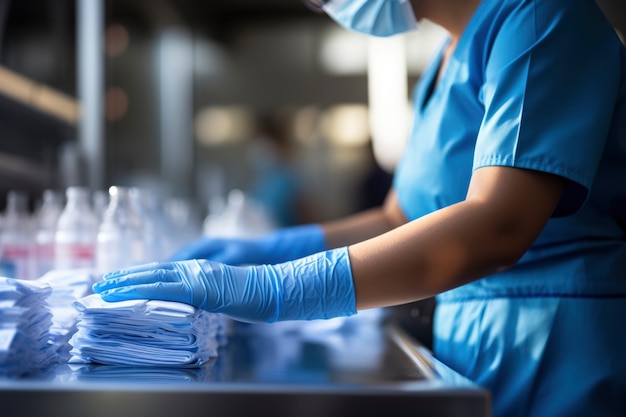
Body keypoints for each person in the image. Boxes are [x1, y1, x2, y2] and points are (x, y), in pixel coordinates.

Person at [93, 0, 626, 416]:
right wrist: (264, 252)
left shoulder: (540, 17)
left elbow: (500, 226)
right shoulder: (444, 65)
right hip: (471, 345)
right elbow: (398, 217)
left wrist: (274, 289)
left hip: (560, 348)